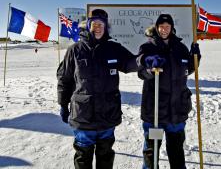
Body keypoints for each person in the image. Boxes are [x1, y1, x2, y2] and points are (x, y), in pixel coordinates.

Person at [57, 9, 142, 169]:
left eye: (101, 24)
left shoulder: (113, 48)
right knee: (83, 158)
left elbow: (130, 62)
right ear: (88, 25)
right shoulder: (75, 50)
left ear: (106, 27)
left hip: (107, 115)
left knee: (105, 156)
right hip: (83, 116)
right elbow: (64, 79)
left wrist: (143, 60)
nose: (98, 27)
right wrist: (63, 104)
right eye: (94, 24)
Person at [138, 14, 201, 169]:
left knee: (176, 151)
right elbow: (141, 73)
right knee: (151, 153)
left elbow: (187, 69)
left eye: (167, 26)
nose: (164, 29)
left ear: (172, 28)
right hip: (155, 112)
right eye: (161, 26)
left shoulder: (180, 48)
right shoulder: (147, 47)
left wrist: (195, 59)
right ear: (157, 28)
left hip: (176, 110)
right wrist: (150, 69)